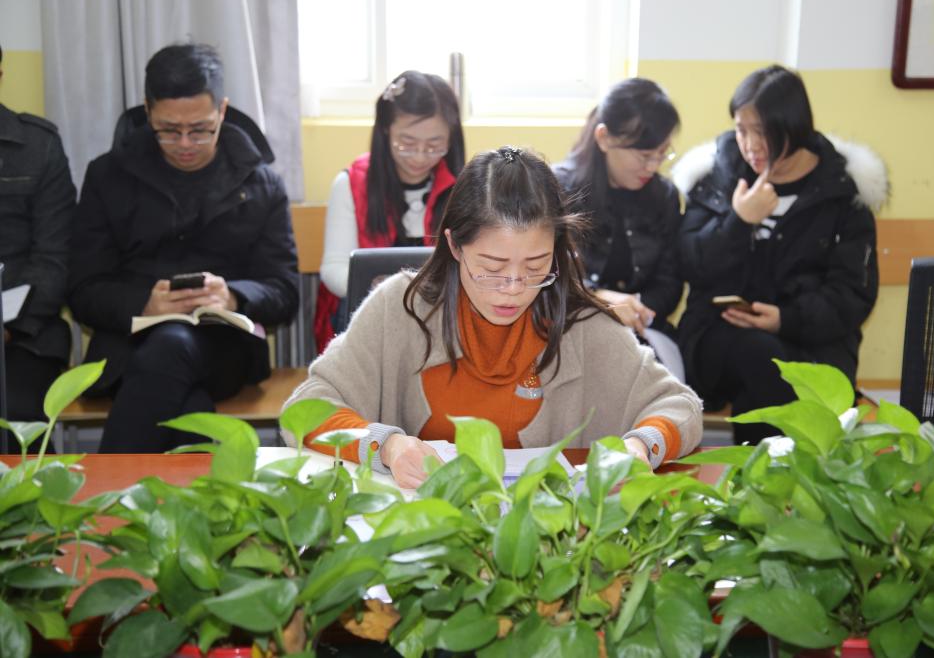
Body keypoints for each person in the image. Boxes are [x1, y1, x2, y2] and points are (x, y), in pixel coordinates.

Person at [286, 147, 702, 488]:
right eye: (492, 267)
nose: (514, 287)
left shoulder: (580, 322)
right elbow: (306, 408)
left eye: (536, 265)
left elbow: (678, 405)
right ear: (454, 245)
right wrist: (386, 446)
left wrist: (640, 447)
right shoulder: (400, 308)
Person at [69, 43, 299, 453]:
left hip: (224, 349)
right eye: (169, 130)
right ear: (147, 111)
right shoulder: (108, 176)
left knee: (172, 348)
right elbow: (83, 289)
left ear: (222, 111)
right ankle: (204, 494)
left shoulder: (259, 182)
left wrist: (232, 296)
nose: (185, 143)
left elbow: (284, 290)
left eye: (200, 129)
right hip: (128, 347)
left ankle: (107, 489)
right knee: (188, 409)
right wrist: (144, 303)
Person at [672, 65, 885, 444]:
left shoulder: (840, 193)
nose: (750, 145)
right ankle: (778, 467)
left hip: (813, 344)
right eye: (742, 130)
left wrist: (786, 319)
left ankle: (757, 465)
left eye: (763, 132)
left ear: (794, 127)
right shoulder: (718, 176)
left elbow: (852, 294)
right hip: (718, 339)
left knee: (770, 364)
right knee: (759, 355)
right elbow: (689, 263)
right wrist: (738, 222)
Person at [314, 71, 465, 352]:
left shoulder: (462, 187)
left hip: (439, 317)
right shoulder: (351, 184)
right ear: (386, 130)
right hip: (368, 315)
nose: (420, 156)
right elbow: (334, 269)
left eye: (434, 145)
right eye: (407, 143)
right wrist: (388, 291)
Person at [553, 78, 685, 379]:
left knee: (659, 384)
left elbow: (670, 282)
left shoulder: (663, 196)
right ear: (604, 138)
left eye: (662, 153)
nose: (652, 166)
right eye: (644, 155)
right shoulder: (559, 190)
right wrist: (598, 298)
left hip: (643, 330)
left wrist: (635, 309)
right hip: (575, 326)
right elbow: (545, 277)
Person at [0, 42, 76, 431]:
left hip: (22, 334)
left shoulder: (37, 145)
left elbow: (54, 257)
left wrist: (10, 326)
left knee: (12, 420)